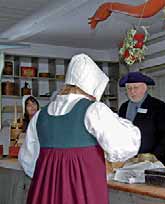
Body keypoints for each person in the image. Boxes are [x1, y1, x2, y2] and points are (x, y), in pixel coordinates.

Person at [18, 54, 141, 204]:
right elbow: (127, 144)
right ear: (92, 86)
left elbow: (28, 161)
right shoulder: (93, 111)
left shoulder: (39, 116)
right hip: (82, 191)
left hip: (45, 193)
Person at [118, 72, 165, 165]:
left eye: (135, 88)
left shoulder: (158, 106)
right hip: (128, 161)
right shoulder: (123, 107)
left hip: (152, 161)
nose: (132, 92)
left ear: (144, 88)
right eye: (129, 88)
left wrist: (155, 156)